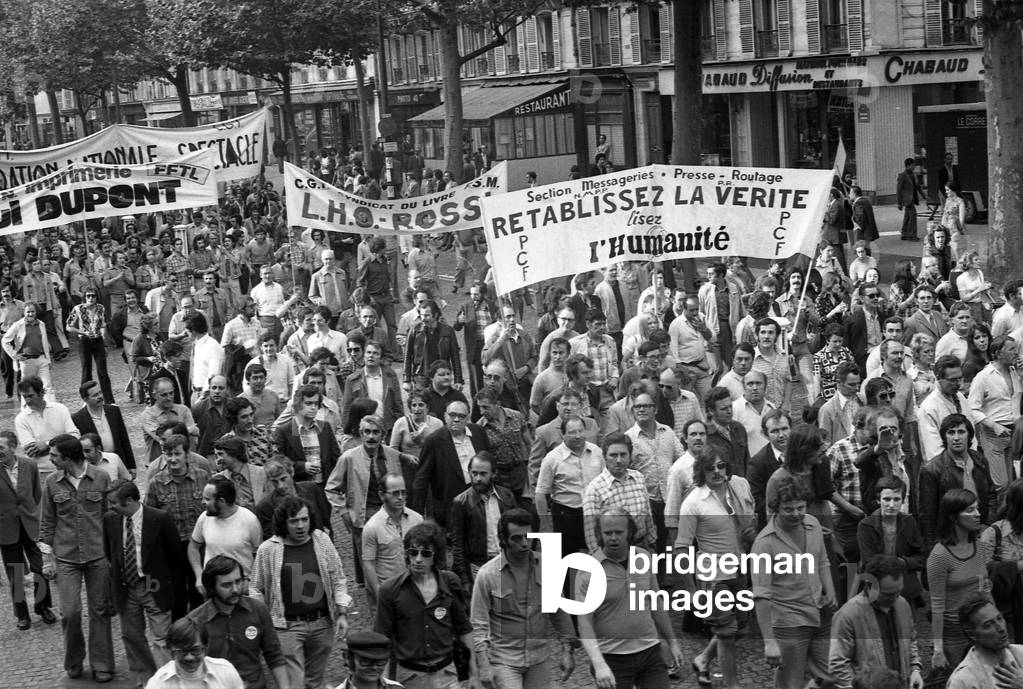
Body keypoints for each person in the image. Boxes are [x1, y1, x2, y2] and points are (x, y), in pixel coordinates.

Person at [576, 506, 684, 689]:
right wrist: (598, 663)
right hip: (612, 657)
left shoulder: (643, 558)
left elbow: (656, 603)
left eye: (619, 532)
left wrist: (672, 643)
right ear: (599, 534)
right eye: (607, 532)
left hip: (650, 652)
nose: (613, 538)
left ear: (630, 532)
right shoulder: (588, 570)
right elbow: (584, 623)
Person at [250, 496, 352, 689]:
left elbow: (338, 578)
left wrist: (342, 613)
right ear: (284, 522)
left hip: (322, 624)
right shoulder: (268, 550)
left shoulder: (322, 541)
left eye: (304, 519)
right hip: (287, 627)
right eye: (294, 521)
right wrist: (264, 621)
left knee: (315, 682)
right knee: (294, 684)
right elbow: (256, 587)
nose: (300, 525)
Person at [470, 508, 578, 689]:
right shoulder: (487, 575)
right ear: (503, 539)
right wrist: (484, 665)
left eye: (528, 536)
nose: (524, 543)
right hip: (504, 661)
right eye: (516, 538)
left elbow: (558, 612)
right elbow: (478, 623)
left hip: (539, 658)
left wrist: (568, 651)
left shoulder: (547, 566)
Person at [676, 449, 755, 689]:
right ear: (702, 471)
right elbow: (681, 548)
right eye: (711, 468)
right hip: (713, 578)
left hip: (739, 571)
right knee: (727, 634)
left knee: (740, 629)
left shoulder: (736, 490)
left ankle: (702, 659)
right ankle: (732, 685)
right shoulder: (693, 502)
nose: (717, 472)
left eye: (721, 466)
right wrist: (691, 591)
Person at [39, 434, 115, 682]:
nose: (50, 459)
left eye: (54, 456)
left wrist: (113, 555)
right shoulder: (51, 482)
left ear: (68, 457)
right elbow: (47, 522)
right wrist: (47, 560)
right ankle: (73, 660)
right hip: (66, 558)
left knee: (100, 610)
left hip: (97, 555)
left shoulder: (101, 477)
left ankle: (102, 663)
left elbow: (110, 517)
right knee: (69, 612)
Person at [752, 476, 837, 689]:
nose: (797, 514)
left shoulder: (813, 524)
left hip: (819, 612)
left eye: (801, 507)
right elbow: (761, 596)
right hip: (788, 622)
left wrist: (830, 590)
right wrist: (770, 642)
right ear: (776, 508)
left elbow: (822, 561)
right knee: (790, 684)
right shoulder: (764, 544)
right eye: (789, 509)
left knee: (832, 676)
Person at [374, 521, 475, 689]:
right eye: (413, 552)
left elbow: (464, 629)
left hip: (448, 674)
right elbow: (382, 639)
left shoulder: (450, 582)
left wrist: (474, 674)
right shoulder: (390, 590)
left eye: (426, 553)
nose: (418, 559)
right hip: (408, 677)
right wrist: (383, 682)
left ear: (436, 555)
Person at [103, 482, 180, 688]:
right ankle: (144, 679)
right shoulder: (111, 520)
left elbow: (174, 556)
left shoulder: (159, 518)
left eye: (113, 502)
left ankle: (166, 681)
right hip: (126, 587)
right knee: (132, 635)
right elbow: (111, 553)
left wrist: (170, 586)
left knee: (162, 637)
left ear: (129, 501)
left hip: (154, 585)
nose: (110, 507)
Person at [188, 555, 289, 689]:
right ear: (211, 587)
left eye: (238, 581)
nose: (235, 589)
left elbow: (274, 655)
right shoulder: (195, 621)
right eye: (226, 585)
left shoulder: (258, 610)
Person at [828, 554, 924, 689]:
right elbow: (838, 664)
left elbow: (911, 640)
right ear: (869, 586)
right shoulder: (848, 615)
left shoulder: (902, 605)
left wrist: (915, 670)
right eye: (888, 594)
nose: (895, 598)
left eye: (898, 592)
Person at [928, 488, 995, 674]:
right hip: (953, 633)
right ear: (953, 517)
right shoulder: (939, 556)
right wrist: (938, 649)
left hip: (980, 626)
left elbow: (984, 587)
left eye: (977, 509)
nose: (978, 514)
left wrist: (996, 619)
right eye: (970, 510)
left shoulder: (979, 546)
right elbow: (937, 605)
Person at [145, 433, 211, 618]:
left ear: (187, 455)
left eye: (177, 454)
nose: (173, 459)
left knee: (199, 590)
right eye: (168, 454)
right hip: (171, 548)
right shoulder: (156, 482)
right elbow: (150, 518)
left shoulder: (202, 476)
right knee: (177, 594)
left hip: (198, 545)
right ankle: (180, 633)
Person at [0, 435, 54, 631]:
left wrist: (33, 514)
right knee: (15, 572)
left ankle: (43, 606)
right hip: (6, 528)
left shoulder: (29, 465)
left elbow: (36, 493)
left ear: (13, 447)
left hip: (31, 524)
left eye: (1, 446)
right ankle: (22, 614)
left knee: (40, 567)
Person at [412, 401, 491, 528]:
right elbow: (421, 479)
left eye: (461, 416)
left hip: (481, 501)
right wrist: (416, 515)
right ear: (445, 416)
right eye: (452, 415)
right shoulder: (434, 441)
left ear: (468, 418)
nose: (456, 419)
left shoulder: (478, 433)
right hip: (450, 506)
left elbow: (490, 463)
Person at [449, 452, 517, 588]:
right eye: (474, 473)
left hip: (506, 560)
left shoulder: (506, 496)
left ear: (494, 473)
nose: (478, 478)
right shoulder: (461, 502)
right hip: (478, 565)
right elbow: (457, 543)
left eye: (483, 474)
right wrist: (464, 579)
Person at [361, 472, 423, 612]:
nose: (400, 497)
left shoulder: (417, 520)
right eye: (395, 493)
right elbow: (368, 563)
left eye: (403, 492)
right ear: (382, 495)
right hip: (389, 592)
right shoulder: (372, 527)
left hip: (415, 590)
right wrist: (379, 596)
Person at [188, 476, 262, 590]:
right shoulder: (204, 517)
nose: (202, 502)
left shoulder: (249, 520)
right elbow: (193, 547)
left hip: (241, 588)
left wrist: (250, 581)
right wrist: (199, 575)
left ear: (221, 501)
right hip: (212, 588)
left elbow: (259, 555)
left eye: (207, 499)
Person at [967, 335, 1020, 489]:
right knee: (1001, 485)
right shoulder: (983, 377)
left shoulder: (1015, 372)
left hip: (1014, 432)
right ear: (998, 353)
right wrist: (994, 425)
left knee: (1012, 485)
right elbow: (973, 408)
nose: (1016, 352)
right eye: (1011, 349)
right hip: (993, 434)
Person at [946, 594, 1023, 689]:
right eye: (988, 625)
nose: (1001, 628)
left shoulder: (1020, 653)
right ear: (972, 635)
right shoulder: (964, 680)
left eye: (999, 618)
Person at [146, 616, 244, 689]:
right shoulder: (159, 684)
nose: (189, 657)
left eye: (195, 650)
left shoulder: (226, 671)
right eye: (182, 651)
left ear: (205, 648)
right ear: (171, 651)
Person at [918, 356, 976, 464]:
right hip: (945, 470)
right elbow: (934, 451)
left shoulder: (961, 398)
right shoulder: (929, 408)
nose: (959, 384)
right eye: (953, 380)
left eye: (960, 378)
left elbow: (972, 435)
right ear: (939, 378)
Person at [71, 380, 136, 472]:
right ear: (85, 399)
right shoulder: (78, 418)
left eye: (100, 392)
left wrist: (131, 465)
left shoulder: (113, 411)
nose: (100, 397)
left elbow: (124, 439)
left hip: (118, 461)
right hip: (95, 466)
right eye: (95, 395)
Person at [343, 339, 403, 435]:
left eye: (375, 353)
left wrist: (399, 428)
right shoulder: (352, 379)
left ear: (381, 357)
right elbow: (346, 409)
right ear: (364, 355)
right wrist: (346, 432)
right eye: (368, 352)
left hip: (387, 428)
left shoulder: (391, 376)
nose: (371, 356)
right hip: (363, 429)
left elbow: (398, 405)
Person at [65, 287, 115, 403]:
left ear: (97, 297)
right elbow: (68, 326)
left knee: (103, 372)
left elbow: (103, 325)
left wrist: (104, 340)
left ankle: (109, 400)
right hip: (84, 340)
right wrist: (82, 332)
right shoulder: (78, 309)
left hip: (98, 340)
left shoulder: (100, 308)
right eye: (88, 296)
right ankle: (87, 399)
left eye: (93, 296)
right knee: (86, 371)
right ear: (84, 297)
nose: (91, 298)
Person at [3, 302, 55, 399]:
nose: (30, 314)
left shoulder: (41, 324)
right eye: (28, 312)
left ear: (36, 312)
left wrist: (48, 360)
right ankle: (27, 411)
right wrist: (14, 355)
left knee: (47, 386)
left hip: (41, 359)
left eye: (32, 312)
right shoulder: (18, 325)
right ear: (24, 312)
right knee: (27, 388)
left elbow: (45, 343)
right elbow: (5, 340)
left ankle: (51, 409)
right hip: (27, 362)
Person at [141, 377, 199, 462]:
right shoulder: (148, 415)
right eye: (164, 395)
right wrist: (188, 430)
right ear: (154, 395)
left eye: (171, 393)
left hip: (184, 462)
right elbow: (163, 438)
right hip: (158, 464)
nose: (169, 397)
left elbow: (194, 437)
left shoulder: (183, 410)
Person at [896, 156, 920, 241]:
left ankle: (905, 233)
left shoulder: (913, 175)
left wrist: (924, 196)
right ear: (908, 166)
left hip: (912, 199)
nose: (914, 167)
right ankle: (912, 235)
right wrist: (899, 203)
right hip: (907, 200)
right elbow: (899, 190)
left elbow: (918, 187)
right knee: (913, 216)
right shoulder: (902, 176)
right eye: (913, 165)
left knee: (907, 216)